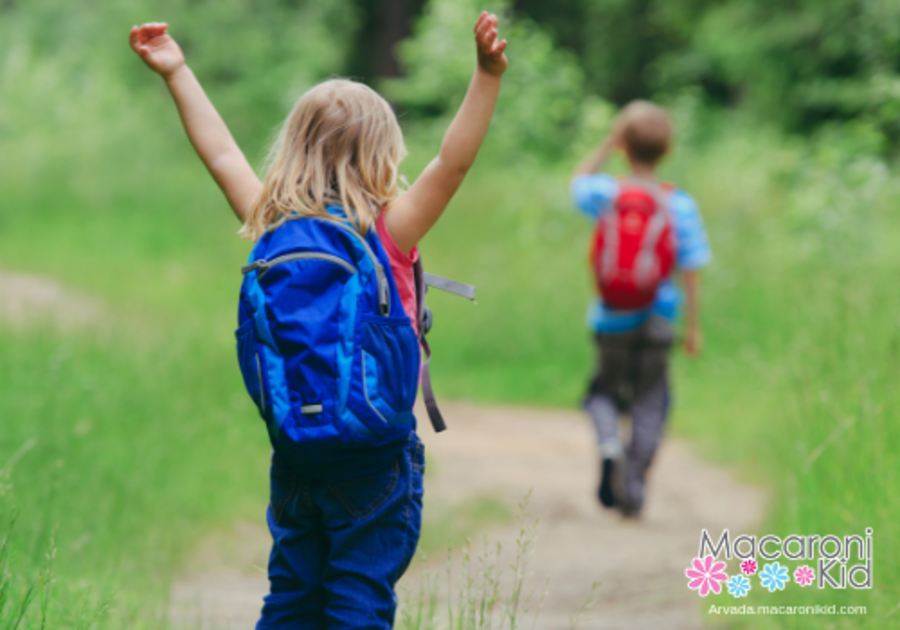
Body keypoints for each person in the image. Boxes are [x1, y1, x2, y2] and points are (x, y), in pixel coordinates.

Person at [129, 14, 507, 628]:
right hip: (374, 458)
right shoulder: (388, 232)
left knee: (292, 595)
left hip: (297, 453)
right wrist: (487, 76)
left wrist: (177, 70)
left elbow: (221, 151)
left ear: (295, 147)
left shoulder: (271, 222)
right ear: (384, 153)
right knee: (359, 596)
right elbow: (452, 164)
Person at [571, 101, 711, 518]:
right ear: (666, 151)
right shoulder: (679, 205)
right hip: (657, 318)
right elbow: (691, 269)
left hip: (610, 318)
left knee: (602, 394)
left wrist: (608, 142)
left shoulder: (607, 194)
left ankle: (609, 443)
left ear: (623, 148)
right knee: (652, 400)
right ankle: (633, 485)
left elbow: (577, 181)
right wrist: (693, 329)